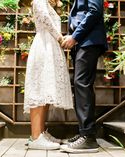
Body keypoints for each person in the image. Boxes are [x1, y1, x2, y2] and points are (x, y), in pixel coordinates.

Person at [23, 0, 73, 150]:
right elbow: (45, 18)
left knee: (45, 91)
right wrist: (60, 38)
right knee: (39, 90)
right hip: (44, 45)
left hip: (49, 45)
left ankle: (40, 133)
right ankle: (35, 136)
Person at [60, 0, 107, 153]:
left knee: (82, 83)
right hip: (84, 40)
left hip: (88, 40)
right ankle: (84, 133)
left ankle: (88, 137)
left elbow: (94, 11)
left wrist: (75, 36)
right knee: (82, 84)